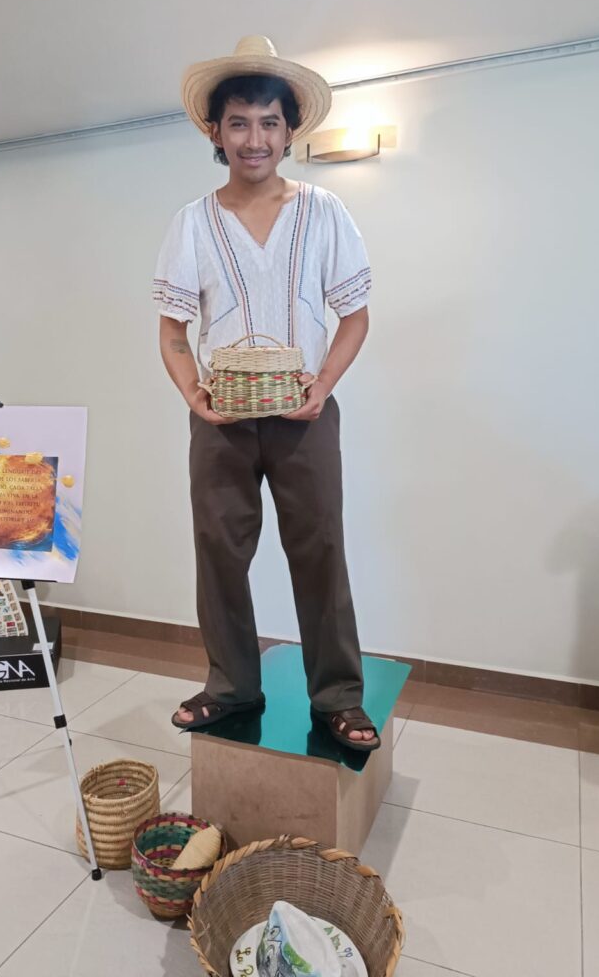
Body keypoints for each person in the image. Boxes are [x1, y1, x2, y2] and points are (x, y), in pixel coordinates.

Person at [153, 36, 379, 750]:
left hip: (305, 417)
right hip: (220, 419)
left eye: (270, 123)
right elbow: (172, 329)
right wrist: (193, 394)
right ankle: (230, 688)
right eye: (240, 123)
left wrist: (323, 385)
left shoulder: (324, 211)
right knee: (218, 551)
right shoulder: (192, 222)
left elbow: (355, 316)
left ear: (290, 130)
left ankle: (338, 698)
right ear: (214, 132)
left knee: (320, 549)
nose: (255, 139)